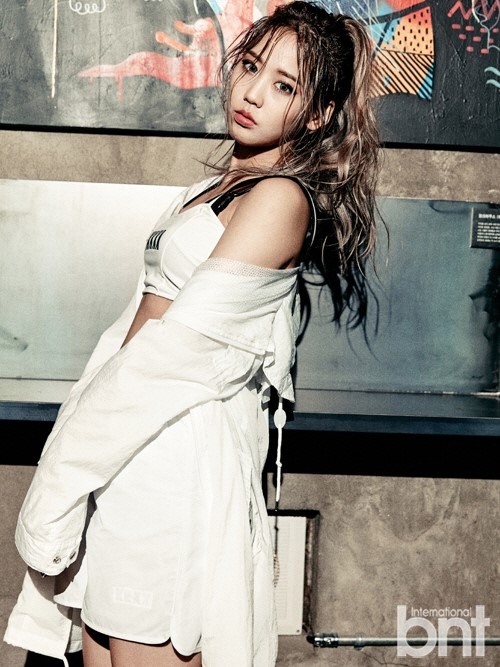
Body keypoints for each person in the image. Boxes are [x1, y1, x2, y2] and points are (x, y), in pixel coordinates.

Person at [4, 2, 382, 666]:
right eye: (252, 66)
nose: (253, 92)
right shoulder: (213, 187)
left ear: (318, 114)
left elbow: (176, 355)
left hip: (173, 465)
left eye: (285, 85)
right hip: (125, 453)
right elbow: (133, 328)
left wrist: (62, 476)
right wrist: (79, 456)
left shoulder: (280, 198)